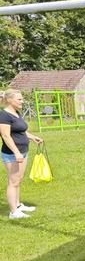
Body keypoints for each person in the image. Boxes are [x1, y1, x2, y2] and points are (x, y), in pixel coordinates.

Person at [0, 89, 43, 219]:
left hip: (22, 151)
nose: (22, 101)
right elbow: (6, 136)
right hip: (12, 154)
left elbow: (20, 131)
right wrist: (16, 152)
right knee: (13, 182)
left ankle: (18, 205)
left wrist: (32, 137)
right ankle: (13, 212)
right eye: (19, 99)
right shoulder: (4, 116)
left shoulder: (16, 113)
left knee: (18, 180)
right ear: (9, 100)